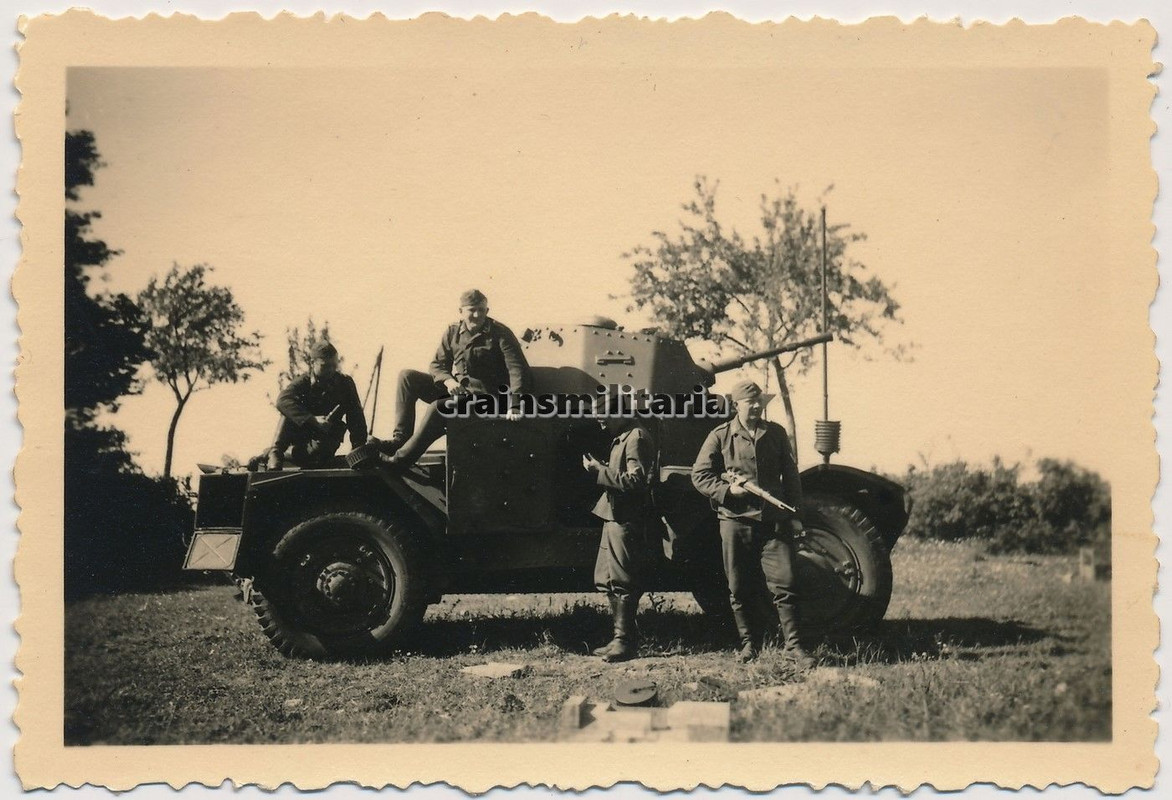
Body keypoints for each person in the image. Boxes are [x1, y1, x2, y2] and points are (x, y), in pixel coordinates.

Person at [691, 379, 812, 666]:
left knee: (786, 582)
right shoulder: (720, 435)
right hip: (735, 521)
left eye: (760, 402)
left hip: (773, 521)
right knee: (739, 586)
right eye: (750, 402)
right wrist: (727, 492)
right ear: (737, 405)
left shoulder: (777, 434)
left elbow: (791, 477)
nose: (757, 407)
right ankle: (749, 645)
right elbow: (700, 475)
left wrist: (795, 516)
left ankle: (794, 647)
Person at [382, 288, 532, 467]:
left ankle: (400, 460)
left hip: (487, 401)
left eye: (481, 310)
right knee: (407, 377)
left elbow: (517, 370)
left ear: (487, 311)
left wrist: (515, 404)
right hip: (460, 394)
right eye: (472, 310)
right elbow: (437, 365)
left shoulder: (500, 333)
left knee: (439, 407)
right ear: (461, 311)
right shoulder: (452, 332)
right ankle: (400, 439)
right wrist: (448, 380)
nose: (477, 315)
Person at [582, 399, 656, 663]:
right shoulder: (624, 436)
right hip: (613, 514)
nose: (600, 422)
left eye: (603, 417)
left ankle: (625, 642)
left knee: (623, 579)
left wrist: (598, 471)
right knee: (606, 577)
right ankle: (619, 638)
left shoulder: (635, 437)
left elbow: (636, 481)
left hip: (626, 516)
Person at [268, 340, 368, 470]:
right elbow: (282, 400)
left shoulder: (344, 384)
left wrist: (358, 448)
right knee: (289, 407)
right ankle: (275, 451)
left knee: (318, 456)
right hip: (302, 435)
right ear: (312, 363)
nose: (331, 370)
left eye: (334, 365)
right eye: (325, 366)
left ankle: (273, 454)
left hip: (324, 440)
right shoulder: (303, 382)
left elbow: (356, 417)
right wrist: (313, 419)